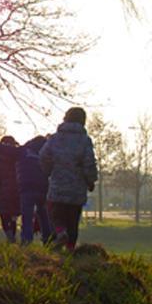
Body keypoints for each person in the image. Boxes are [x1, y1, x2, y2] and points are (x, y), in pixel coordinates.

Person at [39, 107, 98, 250]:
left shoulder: (55, 138)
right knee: (73, 219)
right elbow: (89, 163)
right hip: (77, 188)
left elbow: (43, 155)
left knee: (55, 214)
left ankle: (60, 232)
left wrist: (48, 170)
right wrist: (91, 181)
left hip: (58, 184)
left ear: (66, 118)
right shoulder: (85, 140)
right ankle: (71, 249)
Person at [0, 135, 52, 246]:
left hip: (21, 189)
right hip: (38, 189)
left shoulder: (21, 152)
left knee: (22, 216)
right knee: (42, 214)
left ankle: (24, 240)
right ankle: (48, 239)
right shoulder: (44, 154)